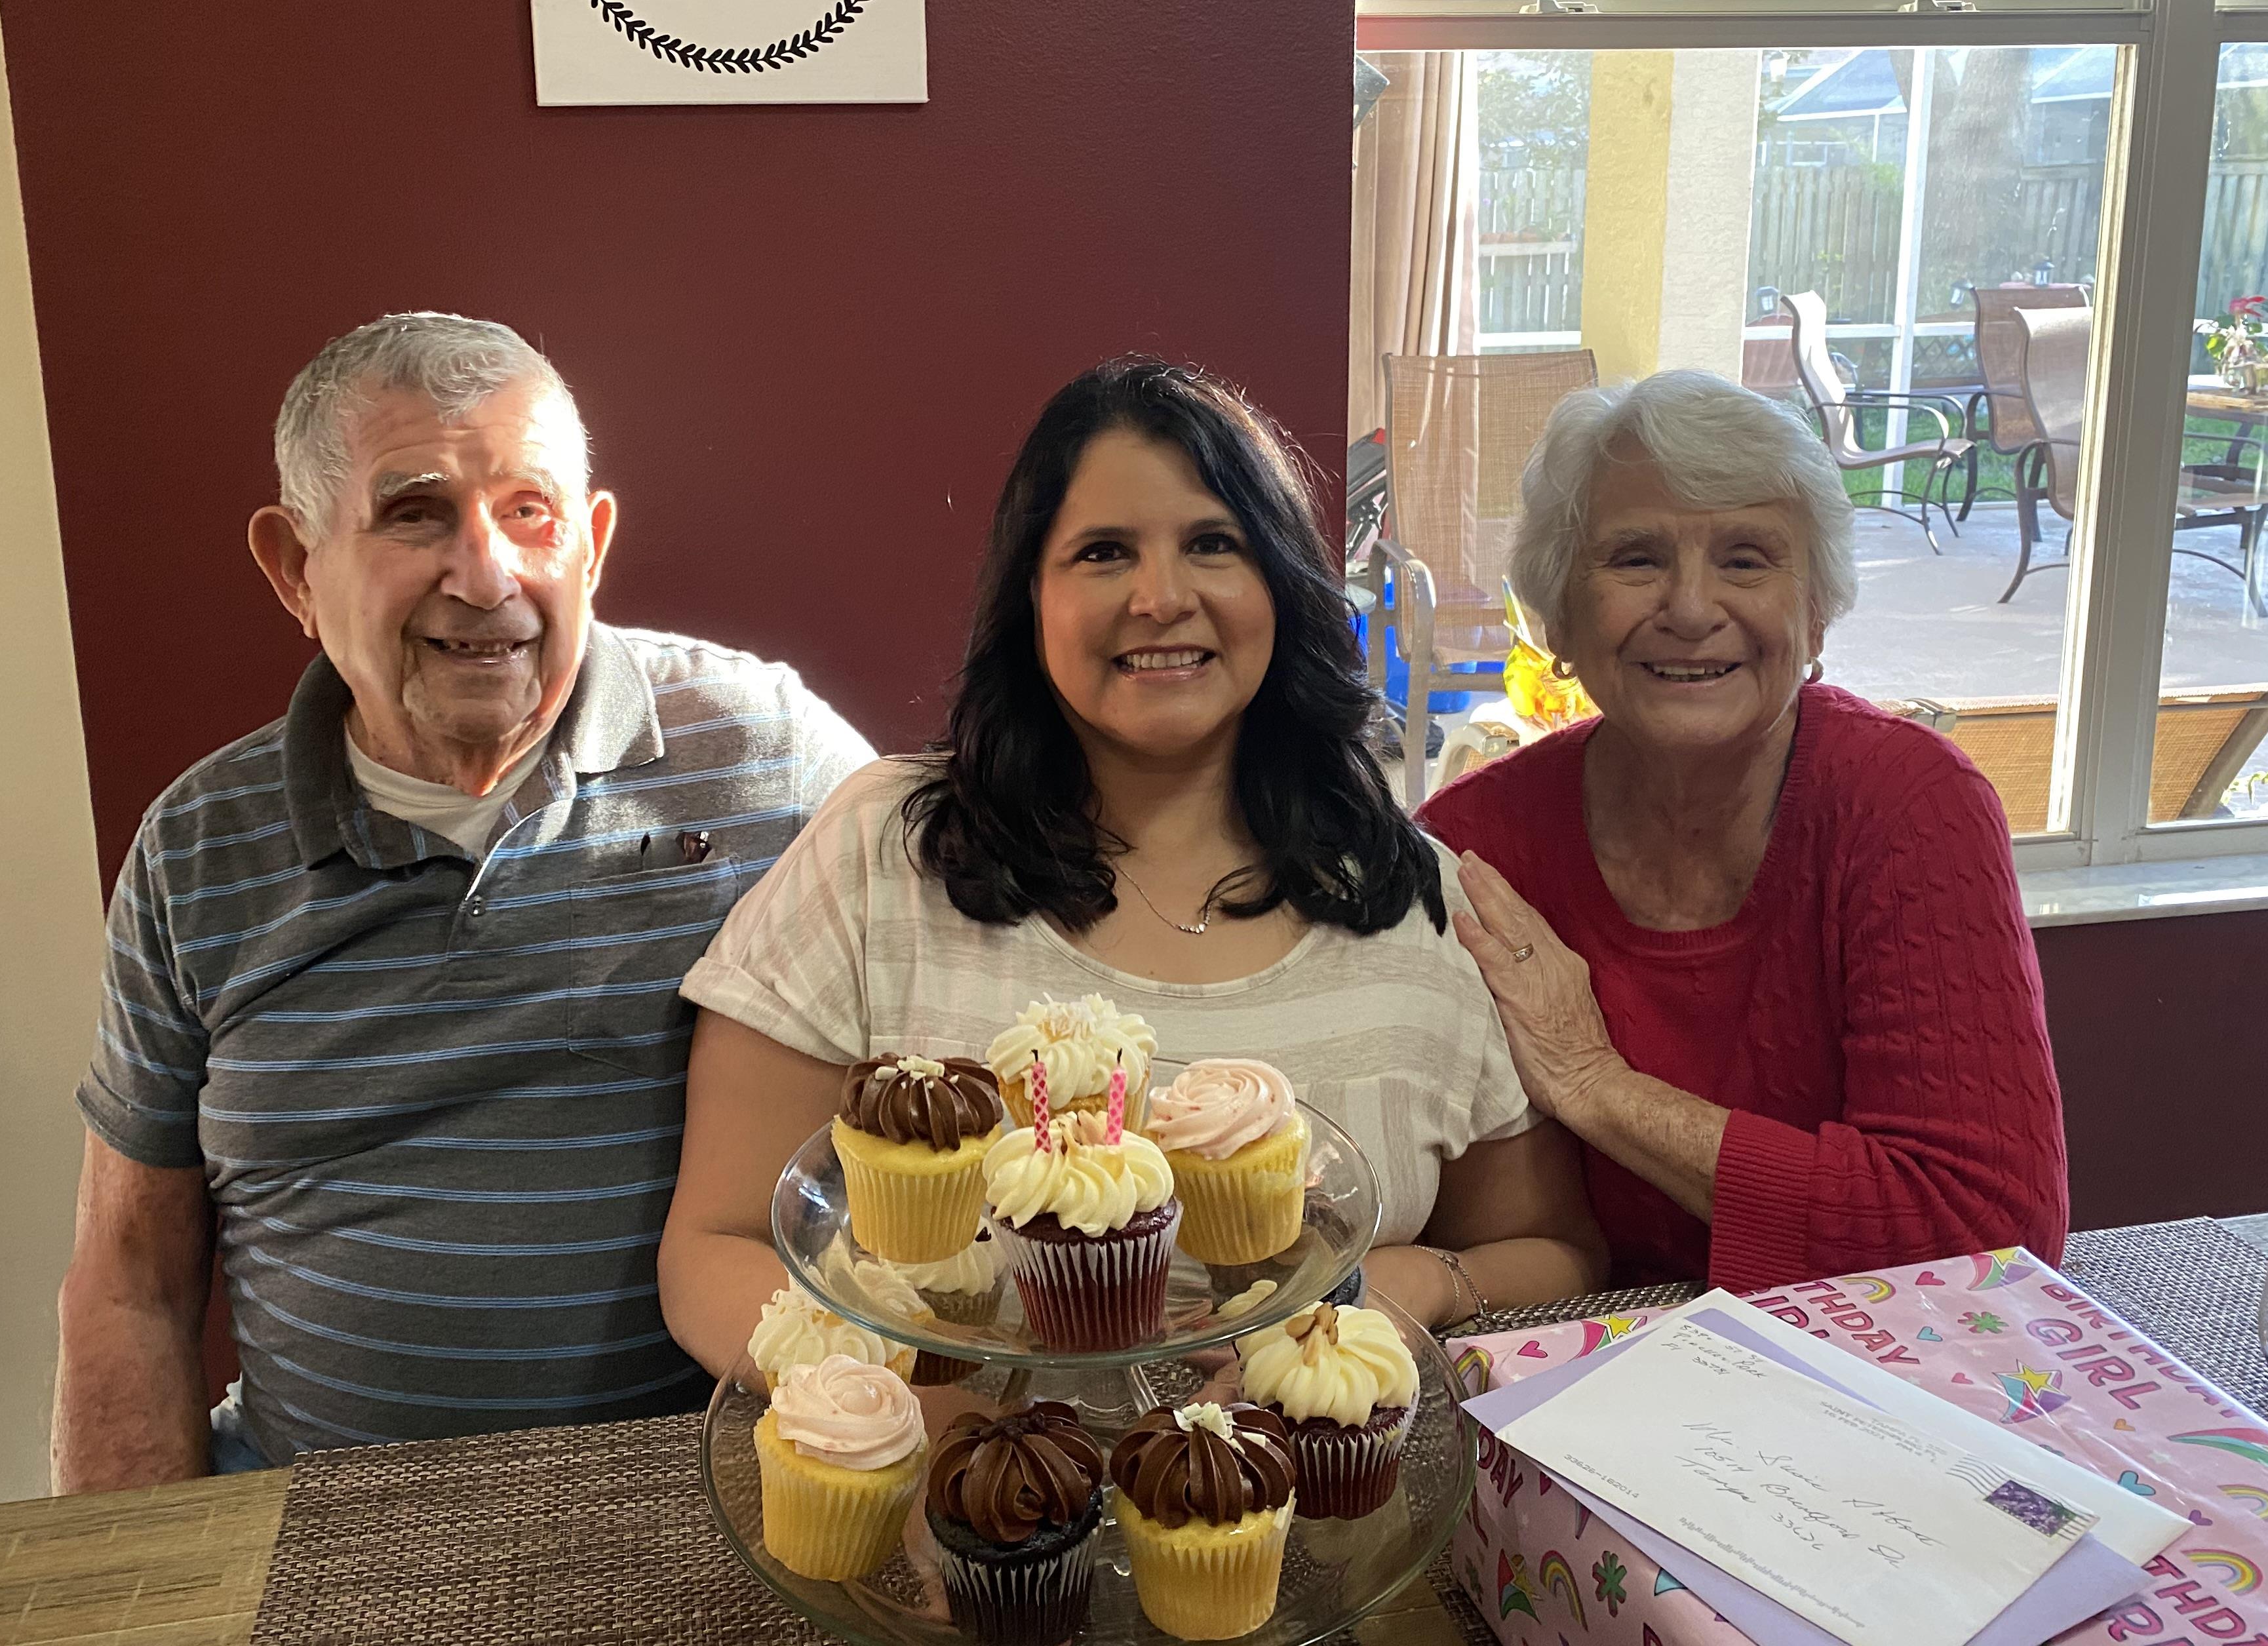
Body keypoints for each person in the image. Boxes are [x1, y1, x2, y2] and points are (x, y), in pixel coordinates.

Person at [659, 358, 1605, 1378]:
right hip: (960, 1521)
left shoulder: (1419, 900)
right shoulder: (886, 850)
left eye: (1213, 544)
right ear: (1031, 598)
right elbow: (716, 1246)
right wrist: (905, 1417)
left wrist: (1425, 1283)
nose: (1161, 598)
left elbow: (1552, 1251)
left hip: (1320, 1517)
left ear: (1282, 584)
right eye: (1105, 553)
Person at [53, 312, 872, 1488]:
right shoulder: (197, 850)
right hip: (309, 1512)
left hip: (716, 1503)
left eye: (528, 513)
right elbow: (129, 1280)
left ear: (590, 545)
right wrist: (117, 1594)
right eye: (414, 512)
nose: (486, 575)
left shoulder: (775, 764)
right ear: (295, 569)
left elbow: (973, 997)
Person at [1418, 369, 2068, 1293]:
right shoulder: (1473, 847)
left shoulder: (1907, 806)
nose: (1690, 609)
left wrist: (1598, 1084)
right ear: (1560, 612)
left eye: (1747, 558)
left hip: (1870, 1374)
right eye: (1635, 558)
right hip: (1570, 1364)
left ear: (1815, 611)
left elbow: (1988, 1235)